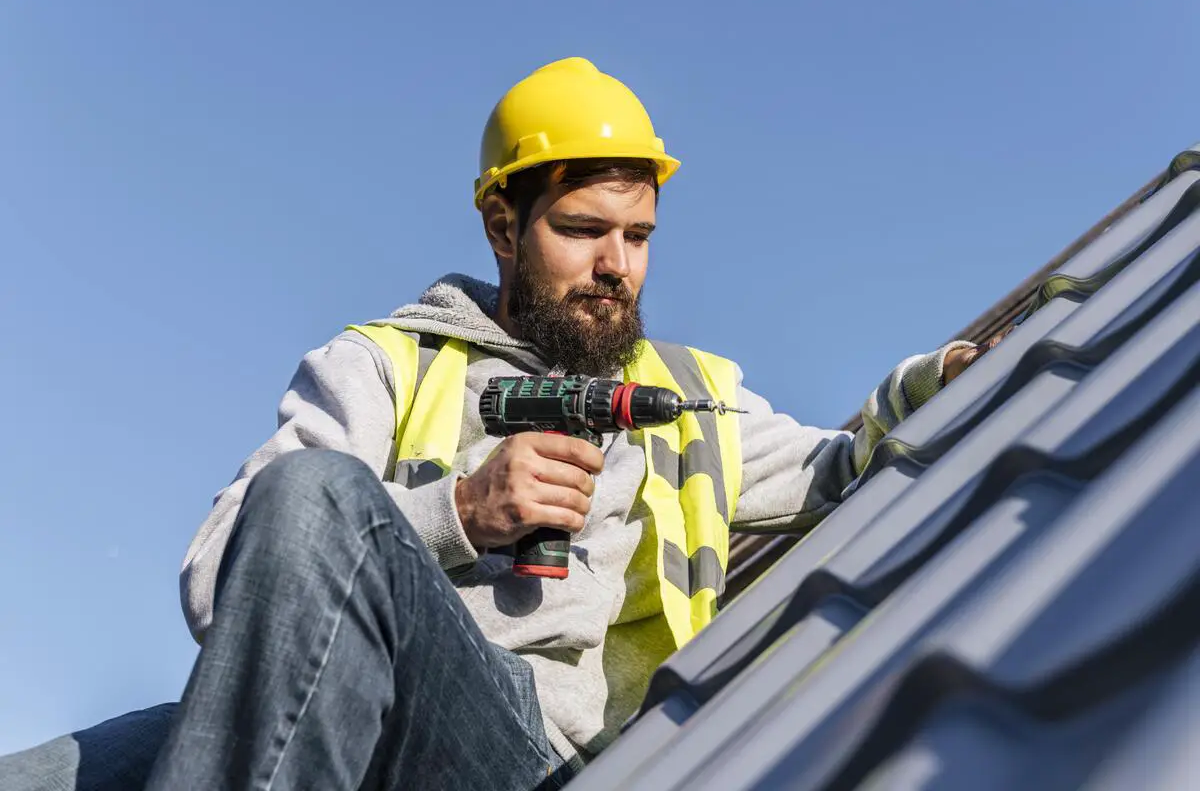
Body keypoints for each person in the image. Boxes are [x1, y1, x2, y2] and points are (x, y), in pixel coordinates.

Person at [0, 57, 992, 790]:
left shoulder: (688, 398)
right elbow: (223, 579)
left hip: (529, 762)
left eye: (638, 235)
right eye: (582, 230)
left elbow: (845, 463)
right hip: (342, 709)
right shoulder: (383, 364)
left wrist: (937, 376)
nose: (618, 263)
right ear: (502, 227)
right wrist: (461, 510)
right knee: (39, 773)